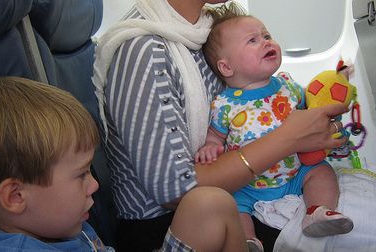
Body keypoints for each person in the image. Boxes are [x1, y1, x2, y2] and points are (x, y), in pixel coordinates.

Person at [92, 0, 350, 250]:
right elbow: (174, 192)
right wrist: (290, 137)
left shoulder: (205, 30)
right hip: (170, 226)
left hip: (231, 190)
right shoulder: (144, 52)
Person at [0, 76, 248, 252]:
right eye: (81, 175)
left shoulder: (49, 223)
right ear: (15, 197)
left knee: (210, 202)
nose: (94, 184)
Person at [195, 4, 353, 251]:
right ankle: (247, 240)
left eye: (267, 36)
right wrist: (210, 147)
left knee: (322, 172)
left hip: (294, 173)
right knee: (231, 202)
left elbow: (310, 112)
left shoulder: (288, 86)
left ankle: (317, 212)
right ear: (226, 67)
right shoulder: (225, 104)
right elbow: (216, 136)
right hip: (249, 185)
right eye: (253, 40)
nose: (266, 42)